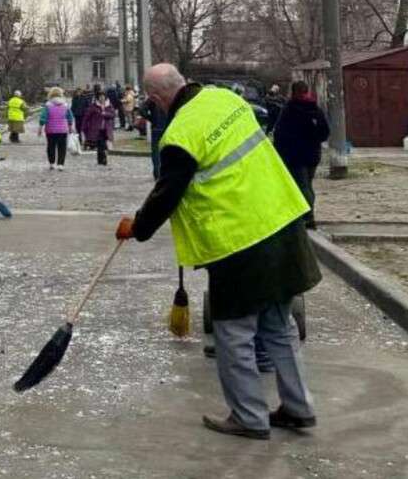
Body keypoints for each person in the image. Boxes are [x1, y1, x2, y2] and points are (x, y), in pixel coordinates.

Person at [116, 64, 321, 440]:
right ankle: (298, 407)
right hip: (282, 218)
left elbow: (168, 193)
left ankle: (249, 417)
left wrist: (139, 227)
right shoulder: (225, 98)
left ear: (157, 99)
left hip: (239, 240)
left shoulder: (180, 134)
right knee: (279, 325)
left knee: (234, 331)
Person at [273, 81, 330, 229]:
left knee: (302, 185)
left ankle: (307, 217)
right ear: (307, 91)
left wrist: (279, 152)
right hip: (312, 155)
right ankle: (306, 216)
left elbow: (279, 134)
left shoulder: (289, 109)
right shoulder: (315, 109)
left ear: (293, 92)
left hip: (294, 155)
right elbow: (324, 133)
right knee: (307, 184)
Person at [39, 87, 75, 171]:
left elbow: (43, 118)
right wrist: (70, 127)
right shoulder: (65, 105)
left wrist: (40, 128)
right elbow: (70, 117)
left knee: (51, 146)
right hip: (63, 130)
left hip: (50, 130)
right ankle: (60, 164)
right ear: (61, 95)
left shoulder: (47, 105)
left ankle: (52, 163)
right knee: (62, 147)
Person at [138, 95, 169, 180]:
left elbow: (141, 110)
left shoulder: (153, 98)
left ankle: (157, 173)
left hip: (156, 127)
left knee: (156, 151)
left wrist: (151, 118)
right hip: (168, 128)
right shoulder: (169, 96)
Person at [81, 91, 116, 166]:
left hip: (107, 129)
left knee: (104, 145)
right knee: (100, 144)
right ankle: (102, 160)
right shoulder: (93, 106)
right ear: (98, 98)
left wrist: (105, 114)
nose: (102, 98)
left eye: (103, 96)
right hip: (97, 129)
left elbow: (113, 114)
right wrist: (84, 127)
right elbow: (87, 117)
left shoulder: (109, 105)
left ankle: (102, 159)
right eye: (100, 96)